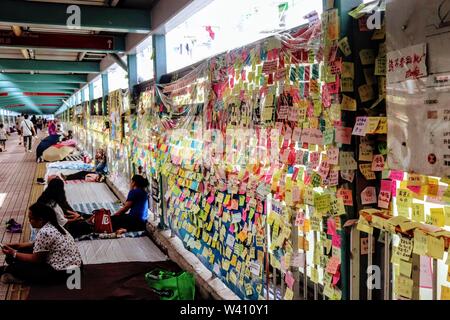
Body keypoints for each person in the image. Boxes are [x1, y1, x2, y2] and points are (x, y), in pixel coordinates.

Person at [0, 202, 82, 284]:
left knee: (15, 266)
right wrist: (16, 246)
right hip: (77, 268)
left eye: (31, 219)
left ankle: (19, 277)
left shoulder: (44, 232)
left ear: (40, 220)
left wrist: (13, 253)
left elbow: (36, 259)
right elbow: (36, 244)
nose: (29, 221)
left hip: (64, 273)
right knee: (19, 254)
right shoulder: (53, 224)